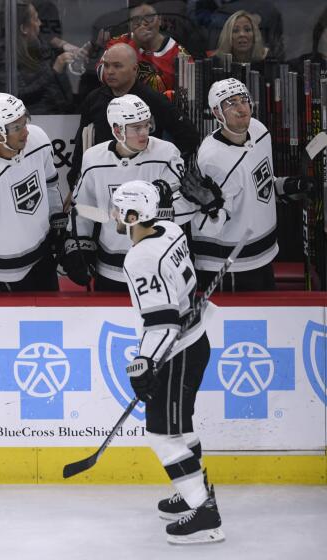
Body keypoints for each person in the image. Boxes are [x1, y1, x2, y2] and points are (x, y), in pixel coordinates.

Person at [111, 180, 223, 545]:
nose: (113, 216)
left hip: (176, 354)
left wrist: (144, 362)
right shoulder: (170, 229)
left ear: (132, 216)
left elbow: (162, 320)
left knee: (162, 435)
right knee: (180, 425)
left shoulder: (140, 257)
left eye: (119, 210)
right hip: (194, 342)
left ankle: (203, 511)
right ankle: (191, 487)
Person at [187, 78, 315, 292]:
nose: (241, 108)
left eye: (243, 100)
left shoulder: (259, 130)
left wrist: (288, 187)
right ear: (218, 113)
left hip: (263, 255)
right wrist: (211, 209)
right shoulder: (214, 159)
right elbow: (209, 227)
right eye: (231, 103)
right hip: (230, 265)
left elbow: (260, 185)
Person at [64, 94, 191, 291]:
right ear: (117, 129)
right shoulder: (94, 159)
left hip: (156, 267)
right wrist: (78, 244)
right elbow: (84, 209)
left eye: (147, 125)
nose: (144, 133)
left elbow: (185, 205)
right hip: (110, 269)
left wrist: (167, 209)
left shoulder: (167, 154)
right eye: (136, 128)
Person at [0, 93, 63, 291]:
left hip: (41, 254)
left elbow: (50, 185)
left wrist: (58, 222)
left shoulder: (38, 139)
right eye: (16, 128)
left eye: (25, 122)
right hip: (2, 267)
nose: (26, 132)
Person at [67, 42, 199, 190]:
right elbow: (80, 146)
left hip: (144, 181)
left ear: (134, 69)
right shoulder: (94, 99)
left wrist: (166, 168)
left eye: (117, 66)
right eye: (107, 65)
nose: (109, 71)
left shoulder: (153, 99)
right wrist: (74, 184)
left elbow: (189, 136)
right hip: (104, 179)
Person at [0, 1, 74, 115]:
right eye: (36, 19)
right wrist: (54, 71)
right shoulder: (3, 58)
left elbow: (56, 93)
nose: (40, 23)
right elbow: (17, 95)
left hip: (55, 117)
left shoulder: (42, 49)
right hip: (27, 121)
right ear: (24, 28)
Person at [100, 2, 190, 95]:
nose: (143, 24)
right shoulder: (117, 43)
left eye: (149, 17)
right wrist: (135, 44)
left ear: (159, 20)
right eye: (136, 20)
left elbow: (188, 92)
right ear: (130, 24)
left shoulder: (179, 54)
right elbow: (102, 73)